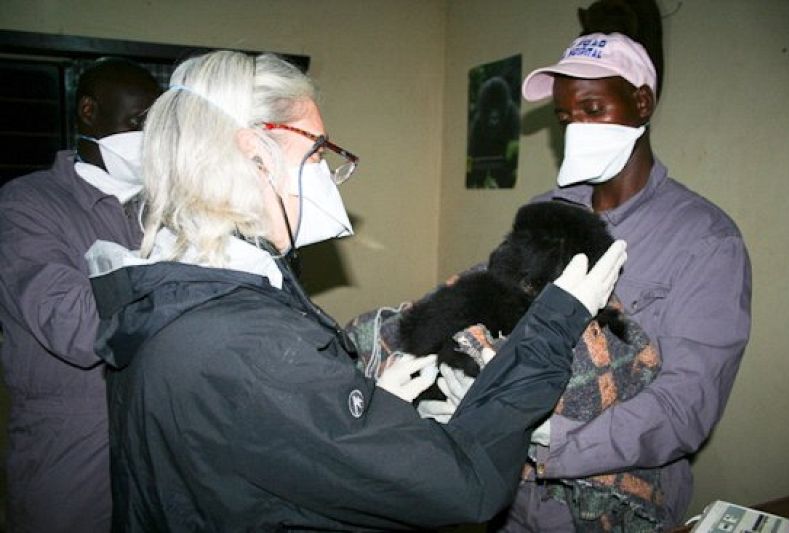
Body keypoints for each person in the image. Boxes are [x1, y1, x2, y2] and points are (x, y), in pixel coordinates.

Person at [83, 50, 627, 531]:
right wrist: (553, 325)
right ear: (254, 153)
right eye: (318, 150)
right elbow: (466, 486)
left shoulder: (168, 293)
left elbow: (263, 455)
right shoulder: (244, 342)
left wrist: (369, 410)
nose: (327, 170)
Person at [489, 30, 751, 531]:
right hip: (511, 499)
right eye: (566, 118)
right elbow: (499, 314)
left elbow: (685, 407)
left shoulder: (706, 240)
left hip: (616, 506)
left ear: (641, 101)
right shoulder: (545, 213)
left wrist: (549, 437)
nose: (577, 129)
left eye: (593, 109)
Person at [0, 58, 160, 532]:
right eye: (138, 122)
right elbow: (75, 325)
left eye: (157, 124)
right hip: (71, 442)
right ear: (88, 110)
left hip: (155, 439)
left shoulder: (162, 208)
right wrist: (182, 282)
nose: (149, 137)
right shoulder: (27, 204)